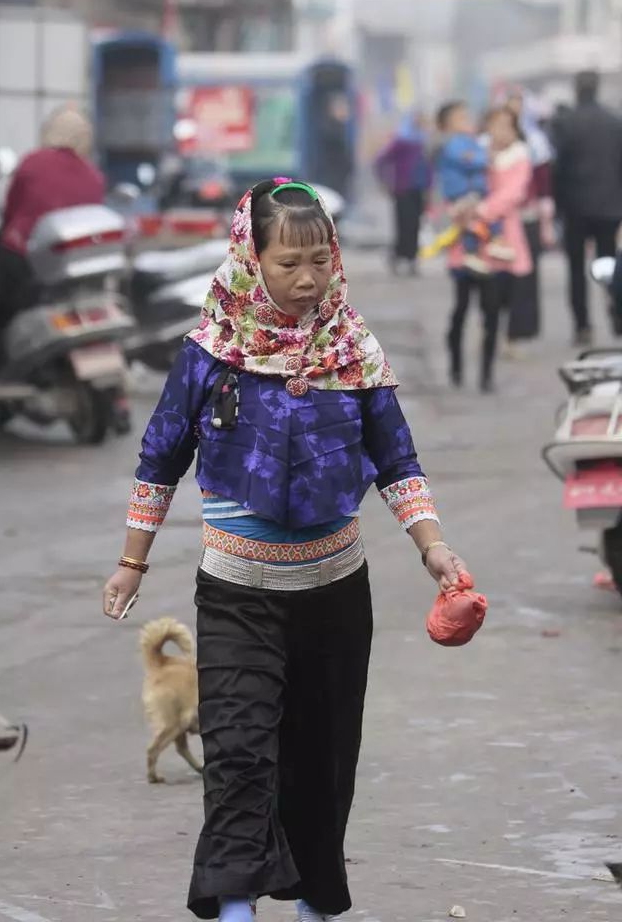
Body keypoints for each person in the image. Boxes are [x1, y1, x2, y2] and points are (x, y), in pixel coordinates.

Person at [102, 178, 466, 922]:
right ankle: (236, 907)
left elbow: (396, 461)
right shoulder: (211, 353)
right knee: (236, 755)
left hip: (335, 595)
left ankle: (314, 905)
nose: (307, 280)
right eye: (288, 263)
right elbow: (160, 458)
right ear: (250, 258)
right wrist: (132, 561)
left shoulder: (354, 348)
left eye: (319, 262)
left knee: (322, 762)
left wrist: (432, 546)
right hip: (238, 594)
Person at [0, 105, 105, 359]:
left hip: (22, 263)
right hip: (71, 274)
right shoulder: (94, 177)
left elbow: (10, 215)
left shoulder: (33, 162)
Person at [447, 107, 532, 392]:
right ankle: (455, 367)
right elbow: (451, 182)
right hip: (465, 244)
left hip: (498, 247)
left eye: (508, 126)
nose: (502, 132)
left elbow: (513, 194)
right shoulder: (471, 152)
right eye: (496, 125)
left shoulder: (519, 158)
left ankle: (486, 374)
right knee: (460, 309)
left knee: (492, 312)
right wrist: (458, 209)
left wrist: (480, 210)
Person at [554, 70, 622, 345]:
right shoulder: (614, 121)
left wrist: (558, 206)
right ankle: (617, 313)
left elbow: (557, 170)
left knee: (576, 269)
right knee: (610, 266)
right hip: (610, 207)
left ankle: (582, 325)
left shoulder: (565, 123)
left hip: (575, 207)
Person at [436, 101, 513, 276]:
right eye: (461, 118)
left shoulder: (468, 140)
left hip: (472, 192)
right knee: (474, 221)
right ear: (448, 124)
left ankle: (483, 247)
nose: (466, 121)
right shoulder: (453, 143)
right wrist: (486, 158)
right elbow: (471, 159)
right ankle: (477, 250)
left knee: (478, 221)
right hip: (464, 193)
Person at [505, 89, 556, 351]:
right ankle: (502, 328)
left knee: (527, 274)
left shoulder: (535, 140)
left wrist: (546, 216)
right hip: (501, 217)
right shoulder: (492, 141)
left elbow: (544, 181)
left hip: (529, 215)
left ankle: (522, 330)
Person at [375, 112, 431, 275]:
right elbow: (381, 160)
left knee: (415, 225)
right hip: (403, 189)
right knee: (404, 225)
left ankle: (412, 259)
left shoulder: (423, 142)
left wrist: (429, 186)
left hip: (419, 189)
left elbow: (428, 167)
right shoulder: (401, 141)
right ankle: (399, 255)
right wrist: (385, 181)